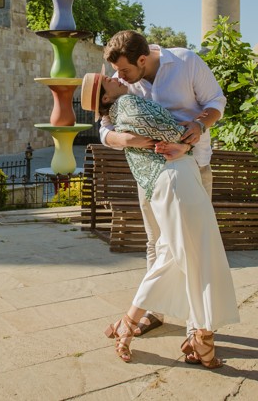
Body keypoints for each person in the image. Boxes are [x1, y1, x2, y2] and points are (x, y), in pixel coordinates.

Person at [81, 72, 239, 366]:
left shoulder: (122, 107)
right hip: (176, 179)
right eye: (108, 79)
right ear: (105, 96)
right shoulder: (128, 102)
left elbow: (162, 134)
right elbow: (172, 132)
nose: (114, 76)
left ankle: (130, 324)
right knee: (197, 256)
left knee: (173, 255)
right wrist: (188, 141)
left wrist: (183, 143)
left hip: (174, 179)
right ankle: (201, 340)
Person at [100, 30, 226, 338]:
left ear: (143, 59)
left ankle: (196, 328)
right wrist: (121, 138)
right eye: (117, 72)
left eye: (125, 70)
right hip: (149, 175)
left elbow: (216, 101)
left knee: (193, 247)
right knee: (155, 243)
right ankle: (152, 314)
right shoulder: (122, 81)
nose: (120, 77)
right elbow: (103, 126)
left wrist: (199, 124)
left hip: (192, 167)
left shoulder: (186, 62)